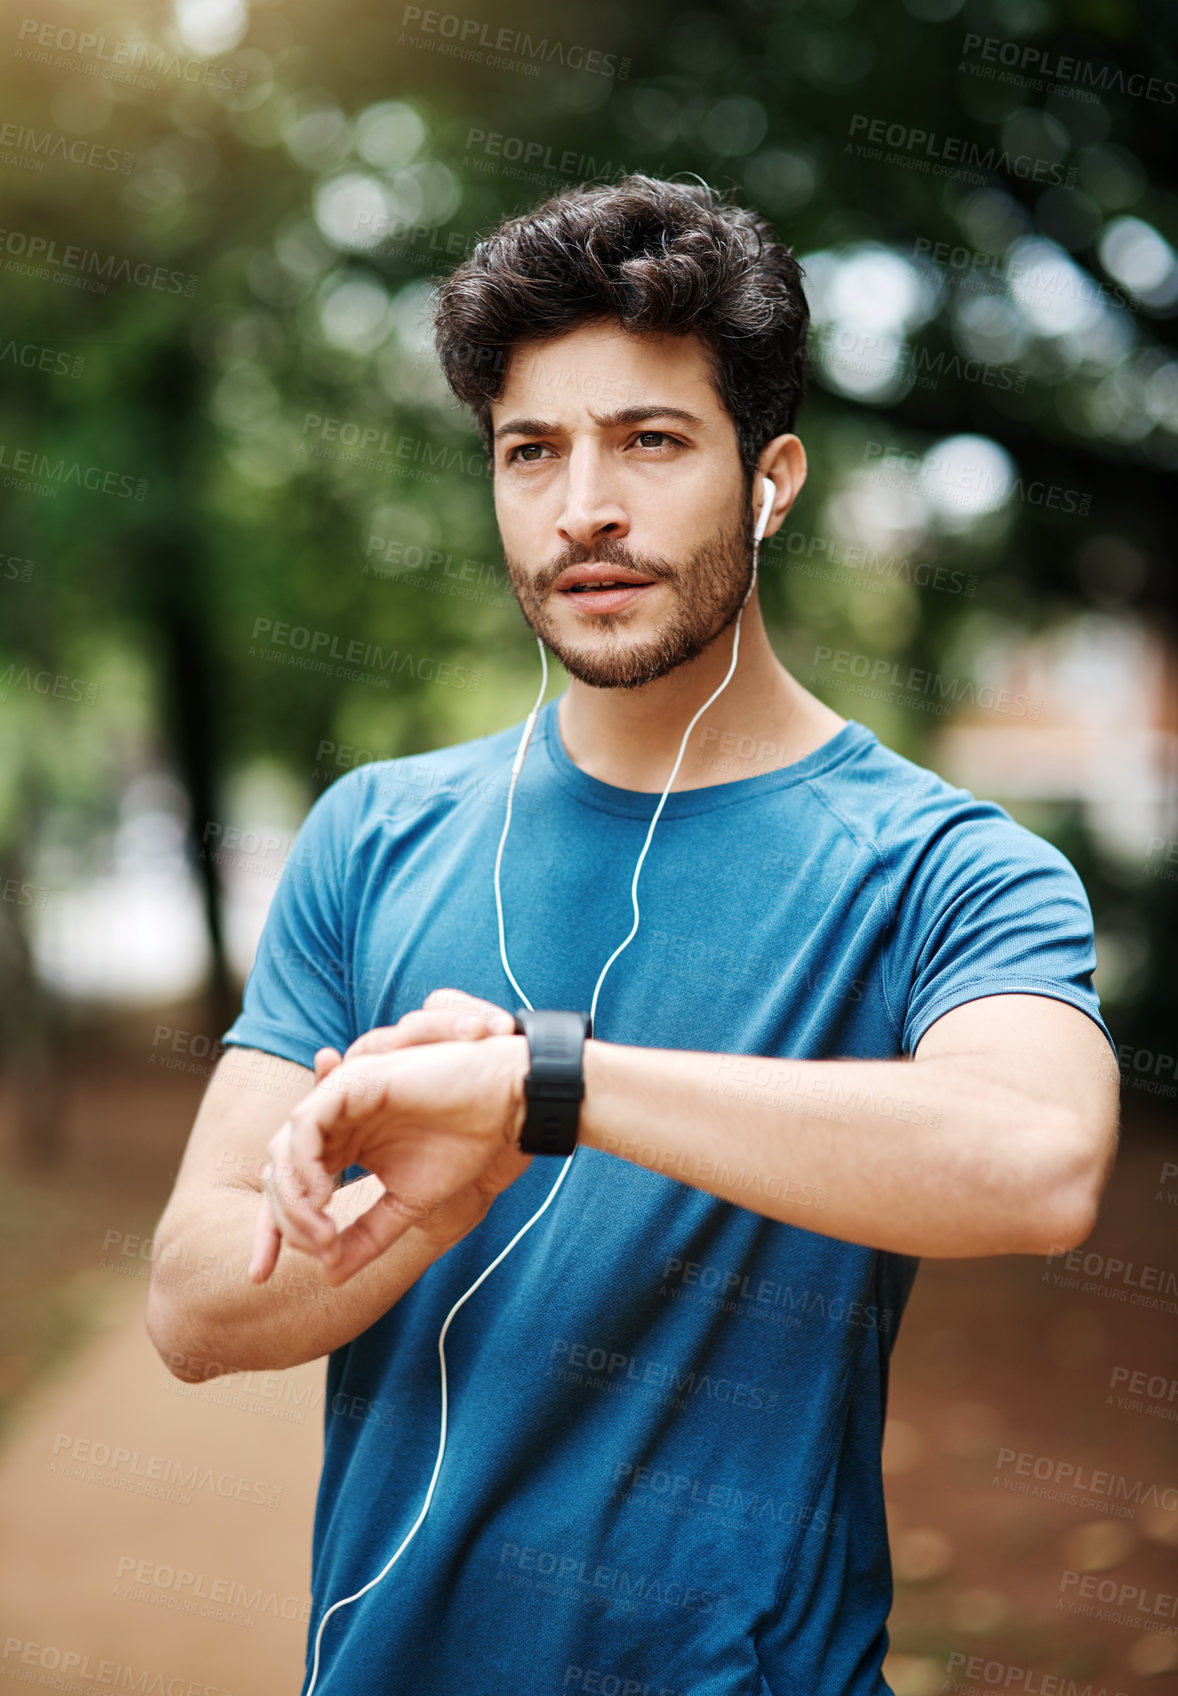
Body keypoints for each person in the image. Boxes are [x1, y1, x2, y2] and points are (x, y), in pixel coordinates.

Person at [147, 175, 1119, 1696]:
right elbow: (194, 1304)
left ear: (772, 478)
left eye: (649, 442)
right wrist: (419, 1211)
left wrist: (546, 1087)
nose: (580, 506)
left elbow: (1034, 1161)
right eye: (528, 452)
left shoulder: (943, 866)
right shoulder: (371, 834)